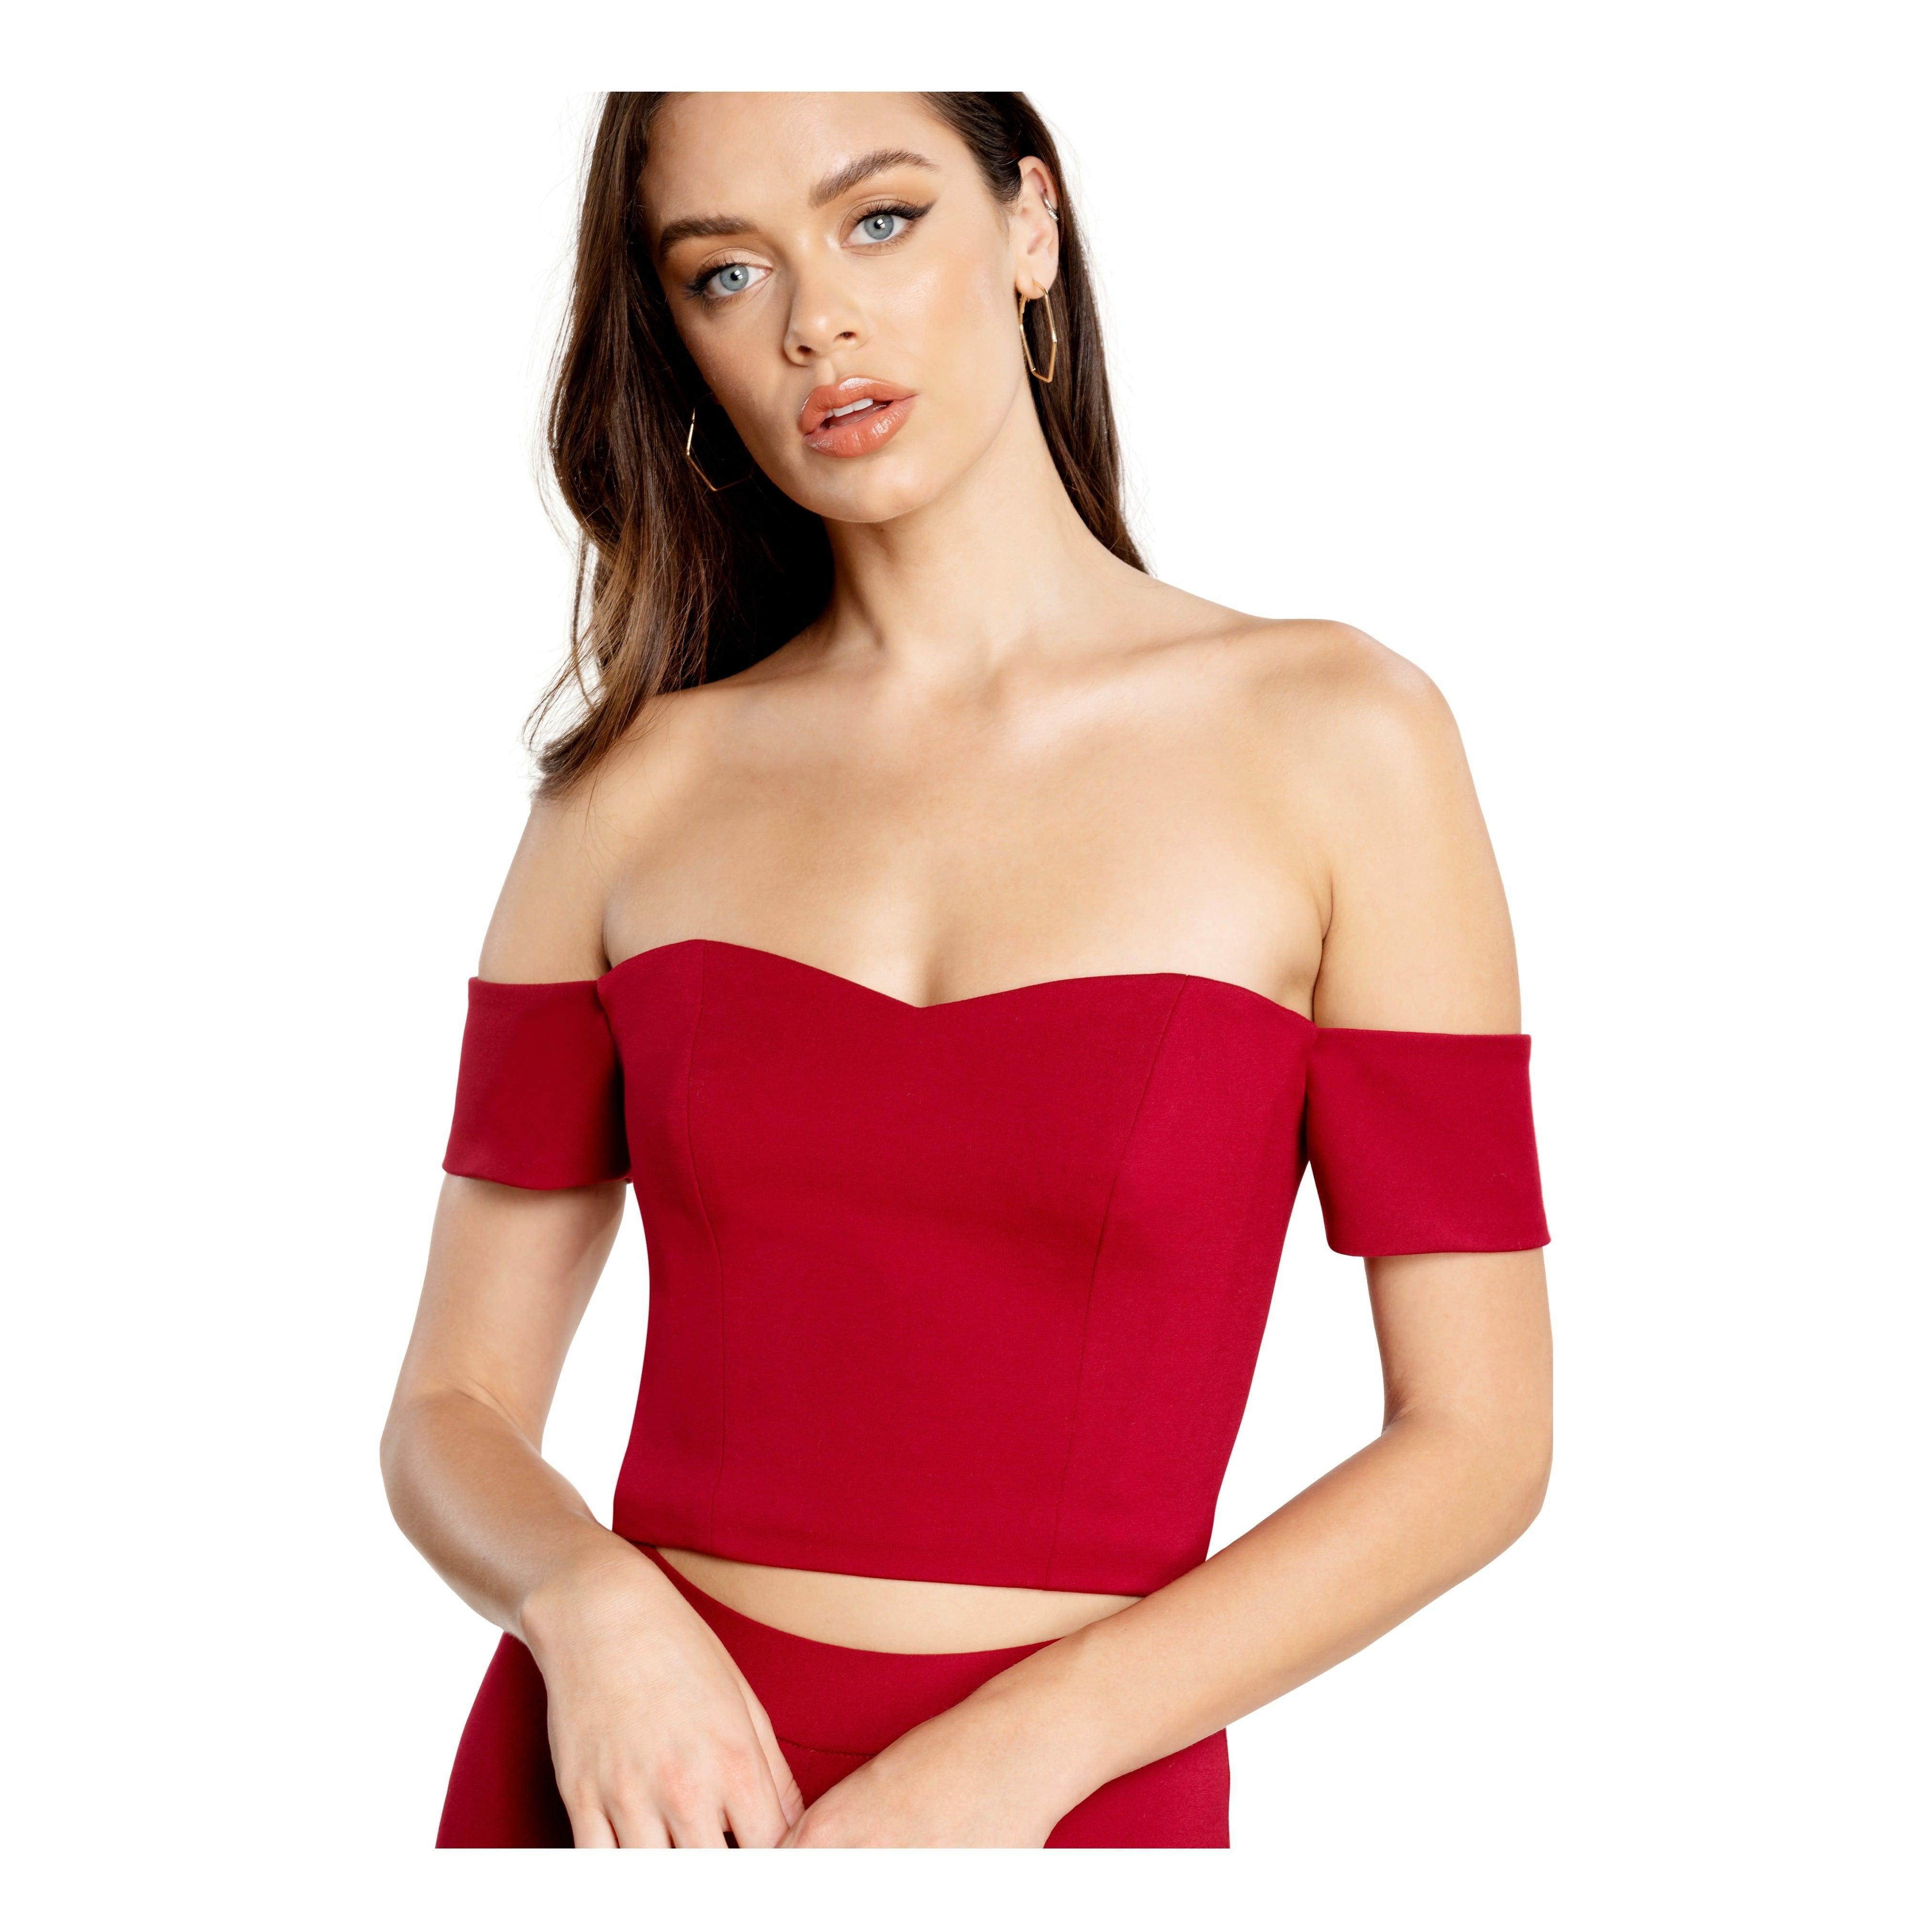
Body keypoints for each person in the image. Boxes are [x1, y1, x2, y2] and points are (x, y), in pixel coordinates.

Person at [380, 89, 1554, 1850]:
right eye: (725, 274)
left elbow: (1480, 1441)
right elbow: (449, 1409)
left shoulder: (1343, 740)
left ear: (1030, 225)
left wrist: (1021, 1752)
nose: (816, 323)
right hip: (631, 1790)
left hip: (1065, 1804)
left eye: (879, 220)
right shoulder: (630, 791)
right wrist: (592, 1608)